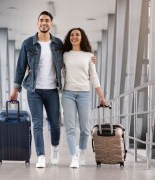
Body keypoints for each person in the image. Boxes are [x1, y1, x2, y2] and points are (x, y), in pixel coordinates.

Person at [9, 11, 63, 168]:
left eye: (47, 20)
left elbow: (69, 59)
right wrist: (15, 90)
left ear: (51, 23)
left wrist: (89, 58)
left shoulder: (58, 44)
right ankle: (41, 156)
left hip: (52, 90)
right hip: (34, 90)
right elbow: (21, 68)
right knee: (37, 123)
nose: (44, 23)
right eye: (41, 20)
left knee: (54, 123)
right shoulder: (28, 43)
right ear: (37, 23)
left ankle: (55, 148)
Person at [61, 28, 107, 168]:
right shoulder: (64, 55)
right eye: (72, 35)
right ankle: (73, 157)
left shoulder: (88, 56)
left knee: (85, 128)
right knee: (70, 127)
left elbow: (93, 76)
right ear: (69, 38)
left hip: (84, 94)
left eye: (77, 35)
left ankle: (81, 151)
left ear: (82, 38)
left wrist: (102, 97)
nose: (74, 37)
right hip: (68, 93)